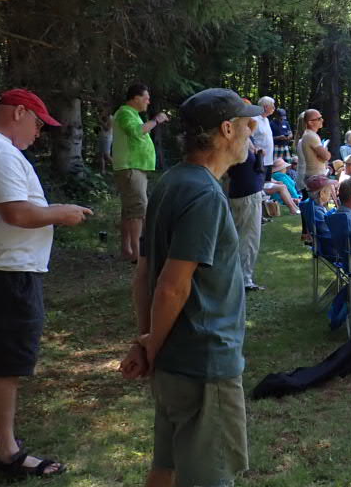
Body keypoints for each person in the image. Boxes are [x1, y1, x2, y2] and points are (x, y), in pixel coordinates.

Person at [119, 88, 261, 487]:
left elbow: (144, 273)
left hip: (174, 364)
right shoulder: (203, 193)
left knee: (166, 467)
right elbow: (171, 286)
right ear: (226, 129)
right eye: (247, 124)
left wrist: (148, 341)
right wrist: (150, 344)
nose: (251, 132)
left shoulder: (171, 181)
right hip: (203, 363)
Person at [0, 89, 92, 477]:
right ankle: (8, 453)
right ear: (18, 113)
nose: (39, 133)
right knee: (3, 361)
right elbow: (16, 212)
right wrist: (60, 213)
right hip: (5, 272)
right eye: (38, 123)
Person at [113, 82, 169, 262]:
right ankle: (138, 254)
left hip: (134, 168)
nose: (148, 101)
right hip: (131, 168)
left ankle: (128, 249)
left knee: (129, 210)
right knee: (138, 211)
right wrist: (156, 120)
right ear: (136, 98)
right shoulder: (124, 113)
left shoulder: (132, 114)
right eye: (146, 98)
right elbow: (136, 132)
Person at [227, 149, 267, 291]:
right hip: (248, 194)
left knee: (239, 236)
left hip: (239, 192)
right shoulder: (240, 140)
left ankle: (235, 275)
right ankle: (245, 279)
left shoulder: (242, 140)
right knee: (250, 237)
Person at [296, 109, 330, 179]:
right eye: (319, 119)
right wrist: (324, 153)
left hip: (310, 177)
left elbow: (323, 158)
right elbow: (326, 157)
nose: (322, 120)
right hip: (313, 178)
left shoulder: (309, 136)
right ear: (310, 122)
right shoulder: (310, 136)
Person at [250, 96, 276, 174]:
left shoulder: (267, 120)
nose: (274, 108)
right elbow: (249, 138)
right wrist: (255, 149)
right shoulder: (254, 119)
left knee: (268, 183)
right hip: (259, 160)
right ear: (265, 107)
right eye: (273, 105)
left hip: (269, 160)